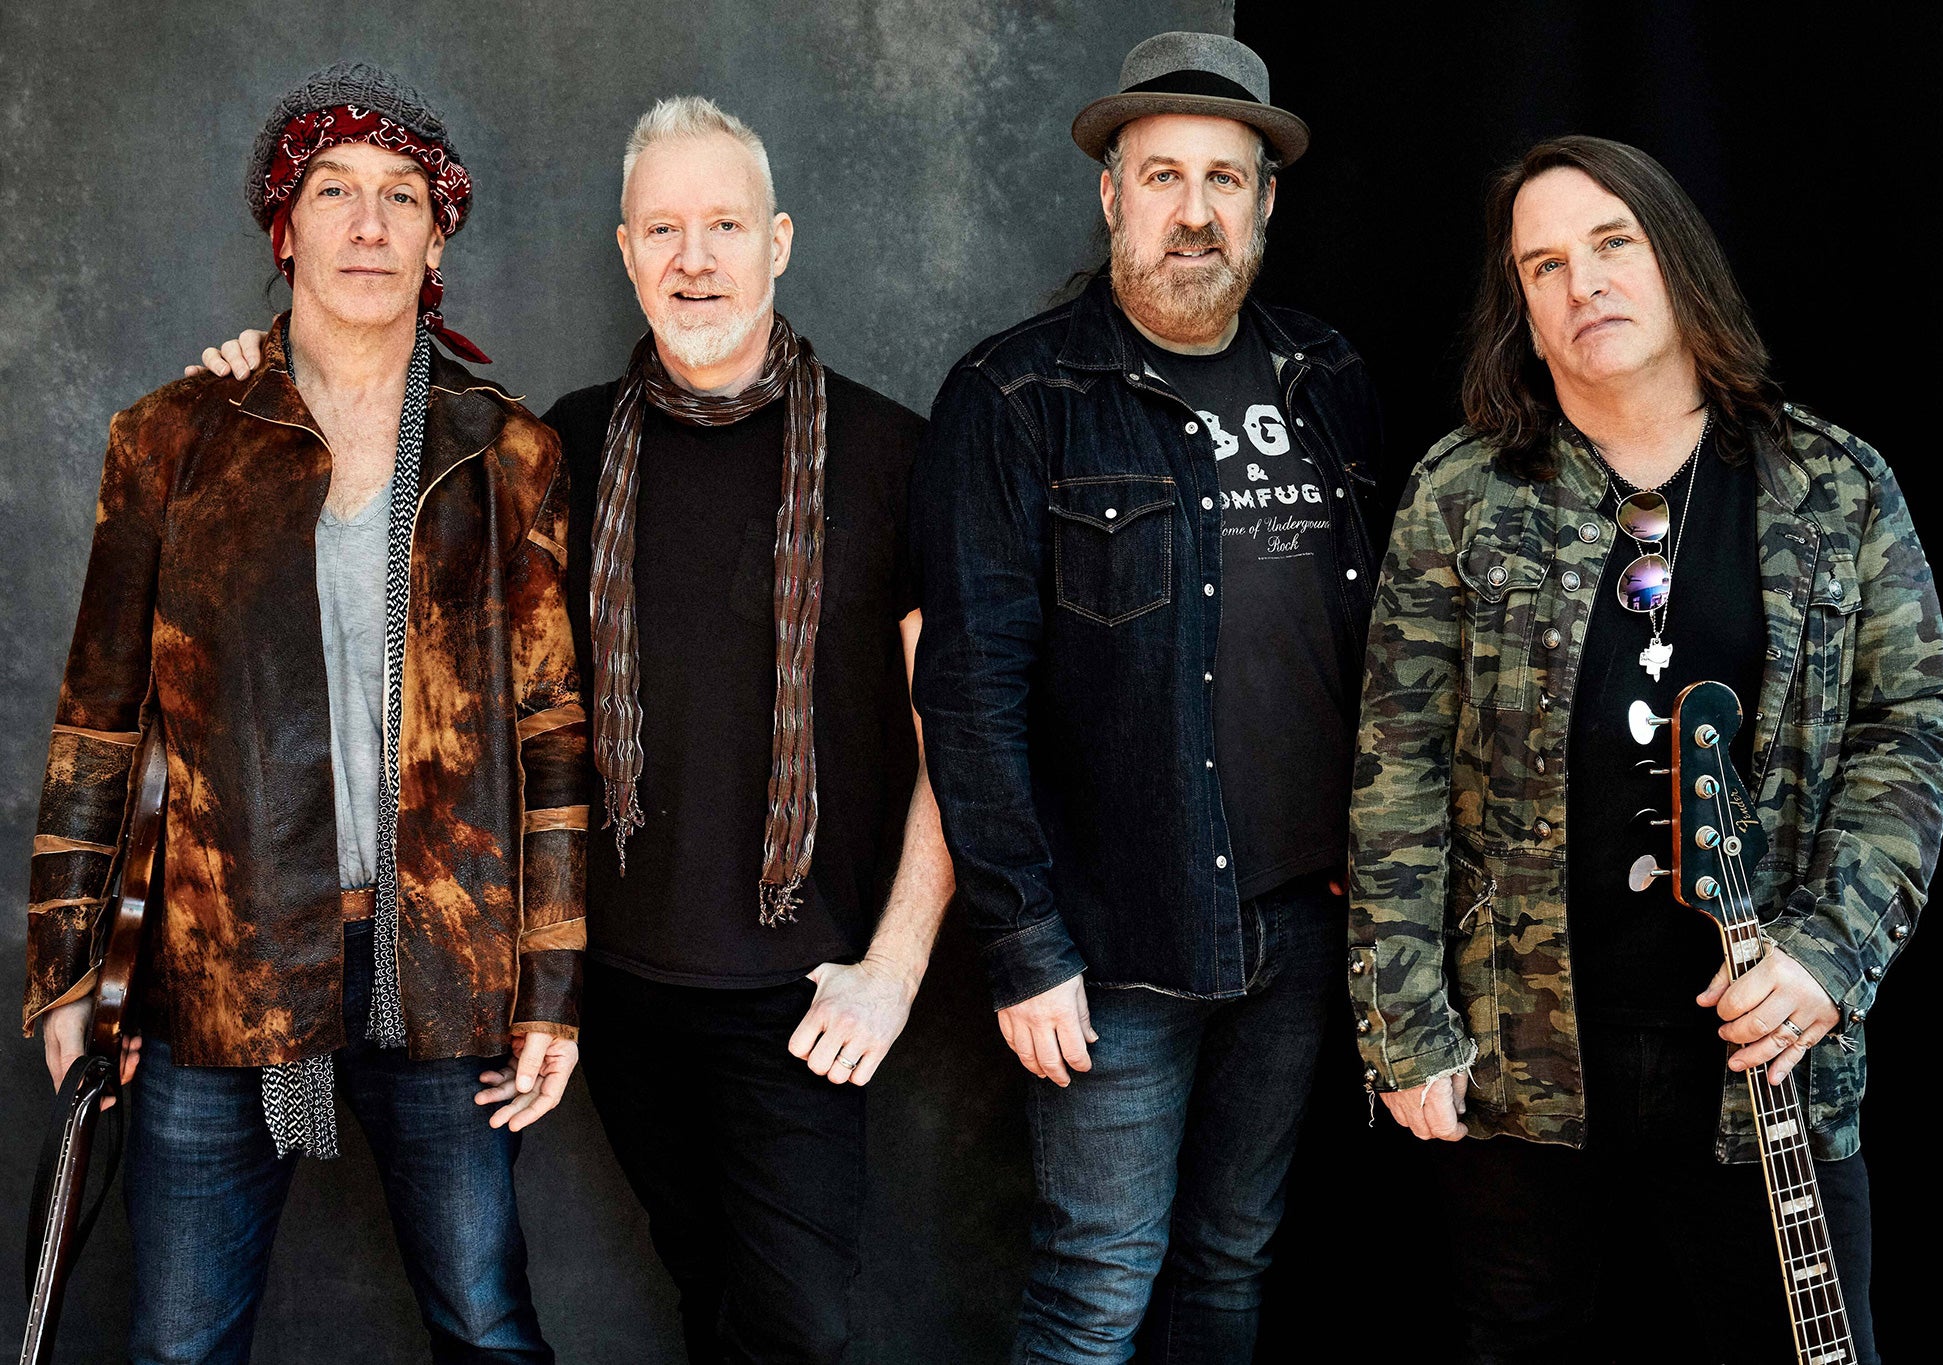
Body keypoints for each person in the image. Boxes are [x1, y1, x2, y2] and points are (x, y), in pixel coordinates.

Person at [202, 92, 951, 1364]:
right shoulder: (564, 443)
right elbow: (455, 655)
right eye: (662, 229)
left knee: (798, 1329)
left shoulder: (893, 453)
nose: (693, 259)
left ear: (777, 241)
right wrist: (255, 375)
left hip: (806, 991)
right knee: (701, 1286)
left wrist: (893, 969)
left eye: (724, 225)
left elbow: (956, 737)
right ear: (626, 252)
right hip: (620, 989)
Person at [1349, 135, 1943, 1363]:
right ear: (1521, 312)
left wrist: (1827, 956)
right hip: (1517, 1061)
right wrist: (1401, 1026)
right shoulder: (1461, 493)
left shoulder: (1829, 485)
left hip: (1764, 1055)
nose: (1581, 284)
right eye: (1542, 266)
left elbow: (1910, 729)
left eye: (1610, 243)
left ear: (1675, 261)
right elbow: (1394, 762)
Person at [26, 61, 587, 1362]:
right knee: (179, 1343)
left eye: (402, 198)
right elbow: (97, 719)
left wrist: (551, 984)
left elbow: (551, 733)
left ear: (438, 240)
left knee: (488, 1325)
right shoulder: (174, 438)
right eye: (334, 192)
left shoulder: (505, 453)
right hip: (215, 959)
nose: (368, 225)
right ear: (285, 229)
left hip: (441, 958)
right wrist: (67, 971)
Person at [913, 31, 1383, 1363]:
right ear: (1111, 192)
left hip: (1303, 920)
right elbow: (969, 690)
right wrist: (1023, 942)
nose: (1193, 212)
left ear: (1265, 203)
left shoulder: (1327, 376)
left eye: (1223, 179)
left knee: (1232, 1260)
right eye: (1162, 175)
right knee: (1096, 1286)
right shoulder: (1016, 396)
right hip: (1117, 936)